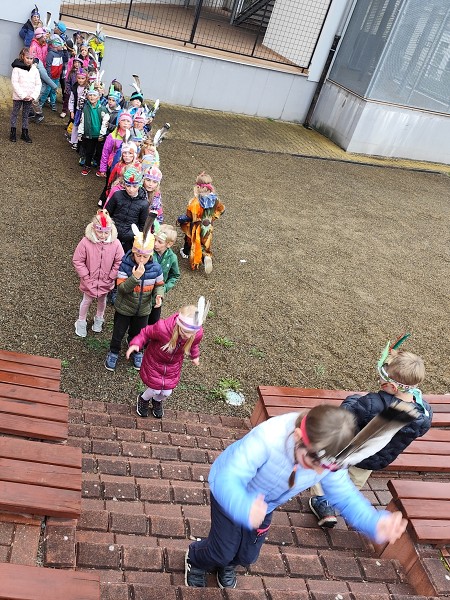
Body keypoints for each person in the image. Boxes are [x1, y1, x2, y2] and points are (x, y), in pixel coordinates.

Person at [185, 404, 407, 588]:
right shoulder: (267, 439)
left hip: (265, 506)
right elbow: (228, 477)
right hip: (231, 496)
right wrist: (244, 506)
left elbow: (344, 494)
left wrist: (372, 522)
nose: (319, 472)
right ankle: (196, 559)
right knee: (221, 551)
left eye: (327, 467)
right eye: (314, 463)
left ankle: (228, 564)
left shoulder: (328, 457)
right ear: (299, 437)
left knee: (247, 555)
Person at [309, 343, 432, 528]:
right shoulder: (423, 414)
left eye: (382, 377)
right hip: (374, 459)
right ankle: (341, 500)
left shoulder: (372, 404)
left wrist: (353, 399)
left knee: (328, 469)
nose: (379, 380)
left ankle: (321, 501)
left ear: (392, 386)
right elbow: (420, 430)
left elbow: (347, 415)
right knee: (355, 479)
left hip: (348, 450)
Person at [105, 219, 164, 372]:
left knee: (139, 332)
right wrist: (135, 277)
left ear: (150, 255)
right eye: (138, 256)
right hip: (124, 308)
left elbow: (159, 285)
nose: (141, 259)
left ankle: (137, 350)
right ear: (133, 252)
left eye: (145, 257)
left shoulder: (156, 268)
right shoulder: (125, 265)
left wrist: (159, 295)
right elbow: (122, 288)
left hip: (143, 309)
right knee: (118, 331)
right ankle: (114, 351)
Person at [128, 302, 204, 419]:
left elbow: (193, 345)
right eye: (185, 332)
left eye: (191, 333)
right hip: (154, 361)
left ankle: (157, 401)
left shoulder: (197, 334)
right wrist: (136, 343)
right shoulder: (162, 328)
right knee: (155, 389)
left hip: (173, 365)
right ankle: (143, 398)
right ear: (178, 325)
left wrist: (195, 356)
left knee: (167, 392)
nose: (188, 336)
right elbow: (146, 332)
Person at [72, 209, 124, 337]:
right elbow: (78, 260)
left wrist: (111, 276)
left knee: (102, 300)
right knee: (86, 300)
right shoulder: (85, 242)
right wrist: (86, 276)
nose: (103, 235)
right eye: (100, 231)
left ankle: (99, 319)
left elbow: (120, 261)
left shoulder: (116, 243)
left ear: (110, 231)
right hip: (89, 280)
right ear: (93, 229)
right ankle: (81, 321)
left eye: (106, 232)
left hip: (106, 280)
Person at [177, 172, 225, 274]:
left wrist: (180, 219)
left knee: (192, 240)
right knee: (205, 241)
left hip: (196, 226)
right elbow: (222, 210)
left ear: (198, 187)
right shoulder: (215, 199)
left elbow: (189, 217)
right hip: (208, 226)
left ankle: (187, 253)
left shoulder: (195, 202)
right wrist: (213, 218)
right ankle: (206, 256)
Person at [106, 167, 149, 253]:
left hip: (129, 240)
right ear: (124, 184)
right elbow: (107, 214)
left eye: (135, 186)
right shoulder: (117, 195)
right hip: (112, 235)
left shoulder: (144, 204)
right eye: (128, 185)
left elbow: (143, 225)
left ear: (140, 185)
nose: (131, 189)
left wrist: (135, 236)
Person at [148, 224, 180, 325]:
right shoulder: (148, 252)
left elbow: (175, 275)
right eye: (155, 240)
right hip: (144, 290)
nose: (155, 244)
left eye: (160, 242)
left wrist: (165, 288)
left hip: (157, 294)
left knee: (154, 319)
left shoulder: (172, 257)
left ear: (169, 244)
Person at [9, 47, 41, 143]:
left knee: (26, 115)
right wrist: (23, 95)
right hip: (18, 96)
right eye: (27, 58)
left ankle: (25, 132)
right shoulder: (16, 69)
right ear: (23, 56)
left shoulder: (35, 70)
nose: (29, 60)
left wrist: (33, 96)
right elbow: (15, 83)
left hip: (30, 97)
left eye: (31, 58)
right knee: (15, 113)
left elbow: (38, 84)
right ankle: (13, 132)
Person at [77, 85, 108, 176]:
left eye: (94, 95)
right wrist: (80, 132)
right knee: (89, 151)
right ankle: (87, 165)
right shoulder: (85, 108)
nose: (92, 97)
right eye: (90, 95)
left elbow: (105, 122)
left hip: (99, 135)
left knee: (99, 152)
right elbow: (82, 120)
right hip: (89, 134)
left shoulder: (102, 108)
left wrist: (102, 134)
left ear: (98, 97)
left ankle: (100, 167)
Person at [39, 34, 68, 111]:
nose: (62, 46)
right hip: (51, 77)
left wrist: (65, 51)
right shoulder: (50, 54)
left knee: (53, 91)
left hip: (57, 76)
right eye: (60, 45)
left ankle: (53, 103)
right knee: (47, 91)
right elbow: (48, 66)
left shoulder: (61, 53)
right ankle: (40, 103)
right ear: (55, 45)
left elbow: (66, 59)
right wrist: (49, 76)